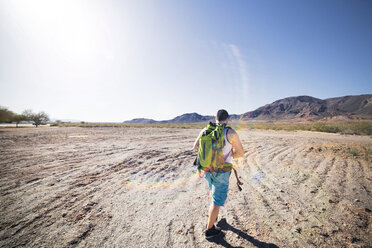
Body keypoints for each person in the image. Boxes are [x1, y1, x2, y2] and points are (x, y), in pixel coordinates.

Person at [193, 109, 244, 239]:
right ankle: (210, 230)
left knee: (213, 194)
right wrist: (229, 154)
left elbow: (195, 147)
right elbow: (240, 153)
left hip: (207, 170)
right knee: (217, 201)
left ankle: (213, 217)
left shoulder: (205, 130)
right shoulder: (230, 132)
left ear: (215, 119)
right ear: (226, 119)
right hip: (221, 171)